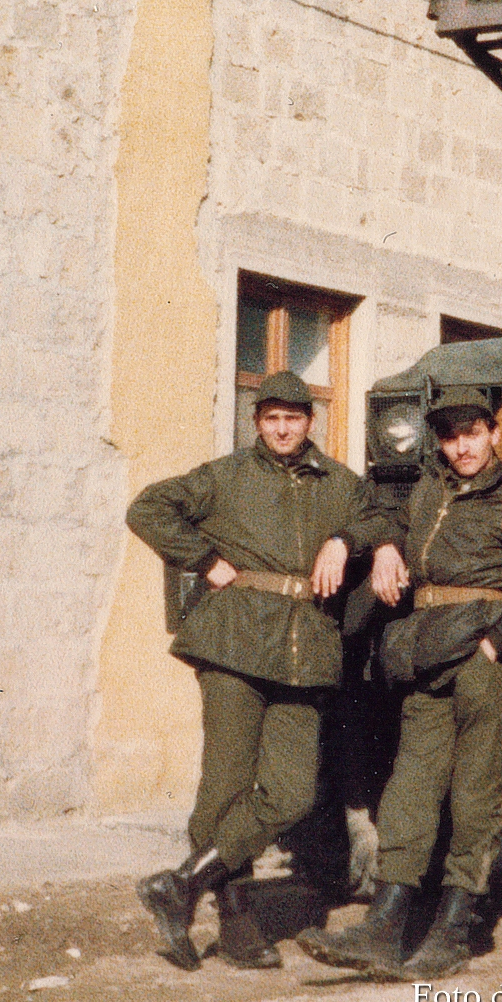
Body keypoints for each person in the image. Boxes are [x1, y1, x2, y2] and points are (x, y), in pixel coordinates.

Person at [126, 371, 392, 971]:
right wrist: (203, 560)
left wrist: (345, 540)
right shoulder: (225, 477)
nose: (282, 428)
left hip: (304, 652)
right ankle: (238, 922)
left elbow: (383, 518)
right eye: (271, 417)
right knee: (224, 787)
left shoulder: (341, 485)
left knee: (292, 791)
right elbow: (148, 507)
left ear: (309, 422)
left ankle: (179, 885)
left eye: (293, 418)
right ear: (257, 422)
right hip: (235, 643)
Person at [297, 389, 502, 979]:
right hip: (427, 655)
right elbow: (381, 514)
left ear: (492, 433)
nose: (463, 448)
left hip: (484, 657)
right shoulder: (430, 489)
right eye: (451, 437)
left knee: (473, 793)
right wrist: (374, 545)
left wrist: (499, 644)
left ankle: (454, 930)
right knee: (409, 789)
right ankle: (385, 924)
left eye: (473, 434)